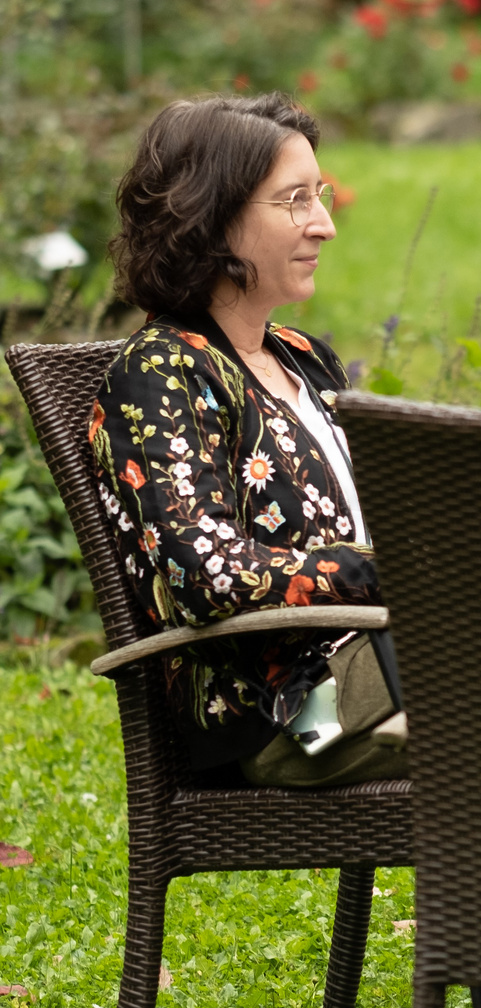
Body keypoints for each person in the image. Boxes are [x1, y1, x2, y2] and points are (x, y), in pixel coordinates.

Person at [90, 93, 404, 787]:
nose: (323, 224)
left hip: (380, 667)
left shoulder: (302, 357)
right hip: (288, 712)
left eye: (319, 196)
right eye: (295, 200)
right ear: (210, 218)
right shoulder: (160, 374)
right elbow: (208, 578)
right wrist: (393, 569)